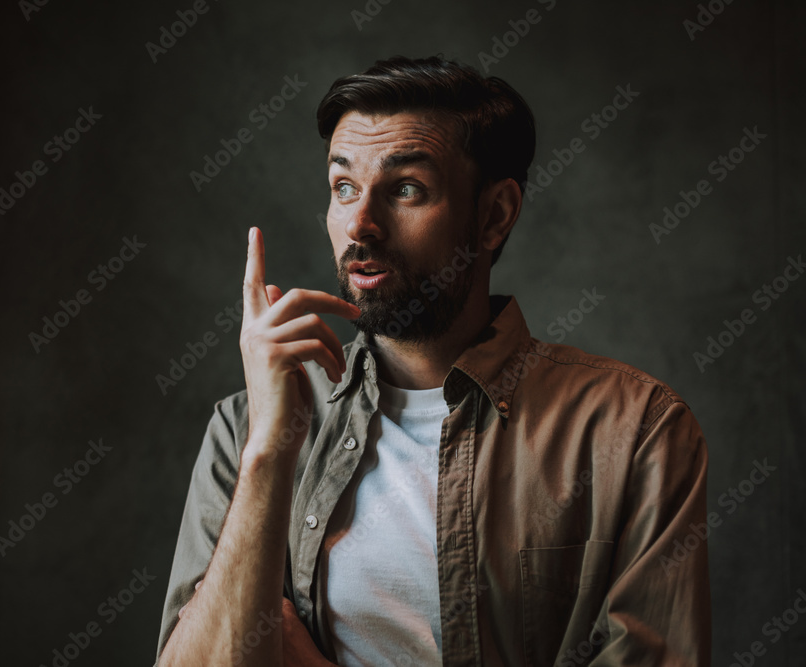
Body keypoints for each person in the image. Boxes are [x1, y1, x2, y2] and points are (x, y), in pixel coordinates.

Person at [156, 55, 710, 666]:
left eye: (406, 189)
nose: (360, 226)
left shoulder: (634, 431)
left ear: (494, 215)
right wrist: (267, 453)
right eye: (343, 187)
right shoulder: (245, 429)